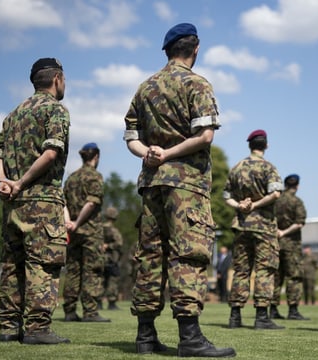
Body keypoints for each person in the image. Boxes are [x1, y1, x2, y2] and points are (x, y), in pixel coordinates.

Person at [123, 23, 235, 357]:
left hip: (151, 183)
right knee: (189, 254)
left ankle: (145, 337)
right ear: (195, 49)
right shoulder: (197, 84)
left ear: (167, 50)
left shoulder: (145, 87)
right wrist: (169, 154)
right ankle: (190, 338)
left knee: (150, 256)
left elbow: (130, 137)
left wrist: (150, 153)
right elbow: (205, 136)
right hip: (186, 184)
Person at [0, 57, 70, 344]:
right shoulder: (55, 110)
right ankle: (37, 329)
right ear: (57, 79)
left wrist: (5, 183)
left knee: (12, 263)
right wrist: (22, 182)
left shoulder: (13, 114)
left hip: (12, 203)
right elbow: (51, 154)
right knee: (42, 263)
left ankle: (9, 328)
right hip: (42, 201)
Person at [225, 129, 284, 331]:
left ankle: (235, 316)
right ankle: (261, 317)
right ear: (265, 145)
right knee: (264, 270)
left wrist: (241, 206)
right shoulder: (269, 167)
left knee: (241, 270)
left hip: (241, 225)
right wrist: (256, 205)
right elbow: (275, 194)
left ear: (250, 145)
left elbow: (227, 196)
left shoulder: (236, 168)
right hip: (264, 226)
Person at [62, 142, 110, 323]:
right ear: (96, 156)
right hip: (90, 231)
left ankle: (69, 311)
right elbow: (91, 203)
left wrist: (68, 222)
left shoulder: (71, 178)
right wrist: (77, 222)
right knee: (92, 270)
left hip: (73, 232)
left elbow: (63, 203)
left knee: (73, 270)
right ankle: (90, 312)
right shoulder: (94, 176)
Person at [271, 174, 309, 320]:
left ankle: (273, 309)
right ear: (297, 186)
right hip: (291, 244)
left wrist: (277, 231)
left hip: (275, 243)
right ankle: (293, 310)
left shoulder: (276, 200)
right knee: (294, 276)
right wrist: (284, 232)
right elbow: (299, 222)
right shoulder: (296, 201)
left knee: (276, 276)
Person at [102, 206, 124, 310]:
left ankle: (98, 302)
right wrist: (109, 246)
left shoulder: (99, 228)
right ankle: (111, 302)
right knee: (113, 280)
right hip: (111, 258)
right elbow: (119, 243)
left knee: (100, 280)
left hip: (99, 258)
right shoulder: (113, 230)